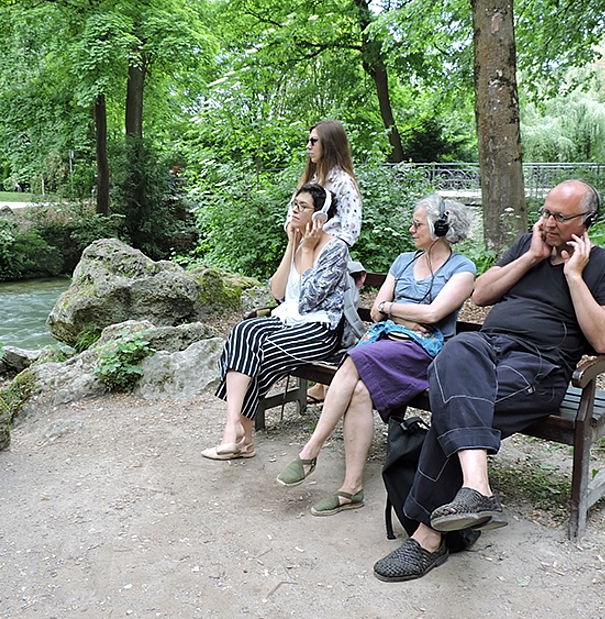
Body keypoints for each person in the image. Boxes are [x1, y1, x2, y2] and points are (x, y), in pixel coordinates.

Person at [372, 180, 605, 582]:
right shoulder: (526, 247)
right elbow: (480, 295)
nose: (547, 222)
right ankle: (476, 487)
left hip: (541, 367)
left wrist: (574, 277)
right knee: (458, 349)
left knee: (454, 407)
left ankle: (427, 538)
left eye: (559, 217)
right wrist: (530, 258)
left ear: (587, 221)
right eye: (545, 212)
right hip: (488, 349)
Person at [276, 195, 476, 516]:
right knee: (357, 391)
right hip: (384, 343)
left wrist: (398, 310)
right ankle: (350, 490)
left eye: (417, 223)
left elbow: (436, 313)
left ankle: (310, 451)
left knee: (355, 359)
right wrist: (407, 314)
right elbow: (377, 310)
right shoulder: (402, 261)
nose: (411, 229)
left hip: (423, 353)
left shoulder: (462, 268)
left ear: (441, 227)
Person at [202, 182, 350, 460]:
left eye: (302, 206)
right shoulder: (297, 243)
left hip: (320, 330)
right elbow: (278, 293)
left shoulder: (335, 250)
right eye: (294, 204)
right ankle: (234, 426)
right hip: (290, 321)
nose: (294, 211)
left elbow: (310, 300)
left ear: (320, 216)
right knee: (244, 331)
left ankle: (240, 438)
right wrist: (293, 244)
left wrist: (307, 250)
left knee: (262, 352)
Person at [288, 119, 363, 403]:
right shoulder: (310, 181)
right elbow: (293, 217)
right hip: (301, 254)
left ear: (329, 144)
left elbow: (350, 231)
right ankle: (320, 386)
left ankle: (329, 385)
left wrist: (319, 241)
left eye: (314, 141)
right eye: (308, 141)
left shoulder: (343, 182)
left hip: (328, 265)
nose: (308, 146)